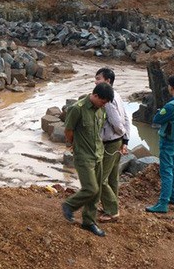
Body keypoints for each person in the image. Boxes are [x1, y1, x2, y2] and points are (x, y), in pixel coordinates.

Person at [61, 82, 114, 237]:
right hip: (83, 156)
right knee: (91, 188)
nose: (103, 105)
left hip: (98, 154)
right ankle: (69, 205)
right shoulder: (77, 109)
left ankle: (89, 222)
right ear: (95, 95)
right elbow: (68, 130)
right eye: (102, 101)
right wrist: (74, 145)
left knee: (96, 194)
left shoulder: (100, 110)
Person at [146, 75, 174, 214]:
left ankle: (163, 203)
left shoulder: (171, 106)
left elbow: (157, 119)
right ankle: (173, 196)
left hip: (168, 141)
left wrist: (160, 112)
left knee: (166, 171)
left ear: (171, 87)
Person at [94, 68, 131, 222]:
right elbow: (127, 119)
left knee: (100, 178)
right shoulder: (117, 95)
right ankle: (111, 204)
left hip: (110, 143)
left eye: (98, 79)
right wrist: (125, 140)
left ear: (107, 81)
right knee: (112, 178)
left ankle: (112, 210)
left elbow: (117, 122)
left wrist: (121, 133)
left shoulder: (107, 100)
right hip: (117, 142)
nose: (95, 82)